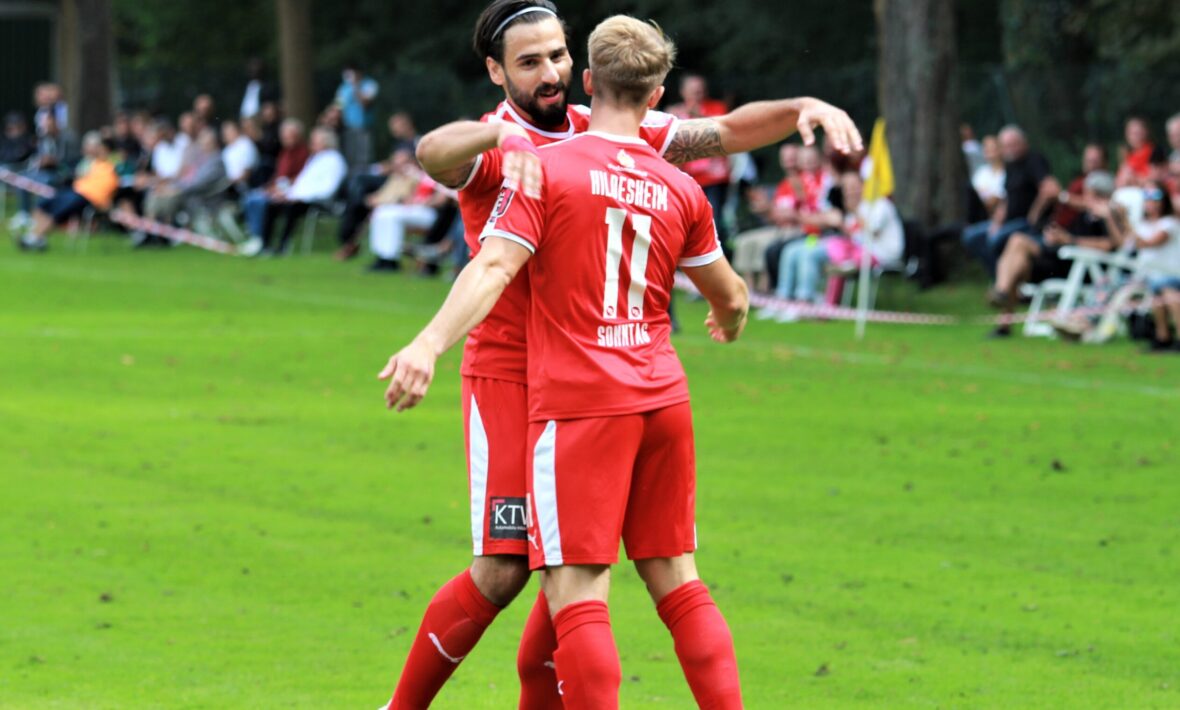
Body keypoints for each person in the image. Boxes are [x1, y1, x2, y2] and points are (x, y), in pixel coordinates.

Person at [378, 2, 861, 707]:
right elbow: (431, 155)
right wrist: (495, 137)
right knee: (506, 570)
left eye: (557, 55)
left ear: (581, 64)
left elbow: (724, 132)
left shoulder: (594, 125)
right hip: (513, 374)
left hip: (580, 384)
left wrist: (800, 109)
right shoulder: (502, 141)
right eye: (529, 62)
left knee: (570, 578)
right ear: (496, 71)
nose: (549, 73)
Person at [987, 170, 1120, 337]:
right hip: (1061, 258)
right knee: (1018, 259)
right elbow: (1034, 221)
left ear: (1101, 196)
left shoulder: (1108, 217)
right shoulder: (1084, 213)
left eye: (1089, 193)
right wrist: (1057, 236)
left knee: (1018, 242)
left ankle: (1001, 293)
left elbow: (1110, 245)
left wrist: (1070, 240)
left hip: (1076, 266)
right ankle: (1003, 309)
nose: (1084, 197)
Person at [961, 125, 1059, 277]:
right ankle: (999, 278)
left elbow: (1051, 189)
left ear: (1024, 142)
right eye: (1006, 146)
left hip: (1026, 223)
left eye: (1014, 144)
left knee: (994, 240)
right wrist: (997, 221)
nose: (1011, 149)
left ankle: (1005, 281)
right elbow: (1008, 197)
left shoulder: (1034, 160)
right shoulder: (1010, 165)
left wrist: (1034, 213)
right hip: (1009, 222)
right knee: (970, 236)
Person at [333, 112, 424, 261]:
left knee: (361, 186)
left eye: (396, 126)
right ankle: (351, 233)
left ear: (407, 124)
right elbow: (393, 164)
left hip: (406, 184)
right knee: (358, 190)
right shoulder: (398, 144)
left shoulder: (418, 142)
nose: (394, 130)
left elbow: (415, 169)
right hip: (394, 181)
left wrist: (394, 168)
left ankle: (352, 240)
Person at [245, 126, 346, 256]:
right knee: (272, 205)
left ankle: (283, 246)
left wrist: (298, 197)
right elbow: (301, 184)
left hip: (318, 201)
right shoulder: (314, 159)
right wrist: (287, 195)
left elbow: (328, 189)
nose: (312, 144)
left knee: (291, 208)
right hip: (300, 198)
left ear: (326, 142)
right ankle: (265, 245)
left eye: (315, 141)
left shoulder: (335, 160)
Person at [17, 132, 117, 251]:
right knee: (44, 204)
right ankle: (35, 236)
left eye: (100, 148)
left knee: (57, 211)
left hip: (89, 198)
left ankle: (35, 238)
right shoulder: (92, 163)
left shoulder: (113, 166)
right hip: (75, 191)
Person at [364, 149, 448, 272]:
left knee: (391, 215)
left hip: (429, 212)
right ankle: (382, 256)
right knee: (382, 212)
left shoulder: (439, 175)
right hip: (414, 209)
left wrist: (425, 202)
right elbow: (408, 194)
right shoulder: (418, 175)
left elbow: (442, 199)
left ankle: (390, 259)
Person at [1125, 183, 1180, 351]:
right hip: (1151, 276)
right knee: (1157, 297)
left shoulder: (1169, 223)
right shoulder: (1142, 224)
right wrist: (1115, 219)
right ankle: (1163, 338)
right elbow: (1126, 245)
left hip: (1172, 274)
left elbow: (1148, 243)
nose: (1151, 202)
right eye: (1147, 198)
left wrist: (1125, 222)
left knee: (1168, 293)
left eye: (1156, 198)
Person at [241, 118, 310, 242]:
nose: (285, 138)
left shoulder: (303, 153)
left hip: (289, 192)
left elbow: (300, 178)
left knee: (261, 202)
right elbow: (277, 175)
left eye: (289, 135)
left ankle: (259, 238)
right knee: (250, 199)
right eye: (284, 135)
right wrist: (269, 188)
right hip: (276, 189)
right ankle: (255, 235)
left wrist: (279, 190)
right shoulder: (284, 152)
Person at [335, 62, 380, 171]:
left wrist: (356, 86)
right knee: (350, 157)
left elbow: (365, 103)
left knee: (364, 157)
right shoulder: (344, 88)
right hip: (348, 127)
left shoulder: (369, 84)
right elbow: (338, 107)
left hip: (365, 128)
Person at [1116, 116, 1167, 189]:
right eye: (1132, 133)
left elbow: (1156, 178)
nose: (1135, 136)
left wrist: (1134, 178)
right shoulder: (1128, 155)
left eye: (1138, 133)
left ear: (1146, 132)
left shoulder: (1154, 150)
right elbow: (1119, 182)